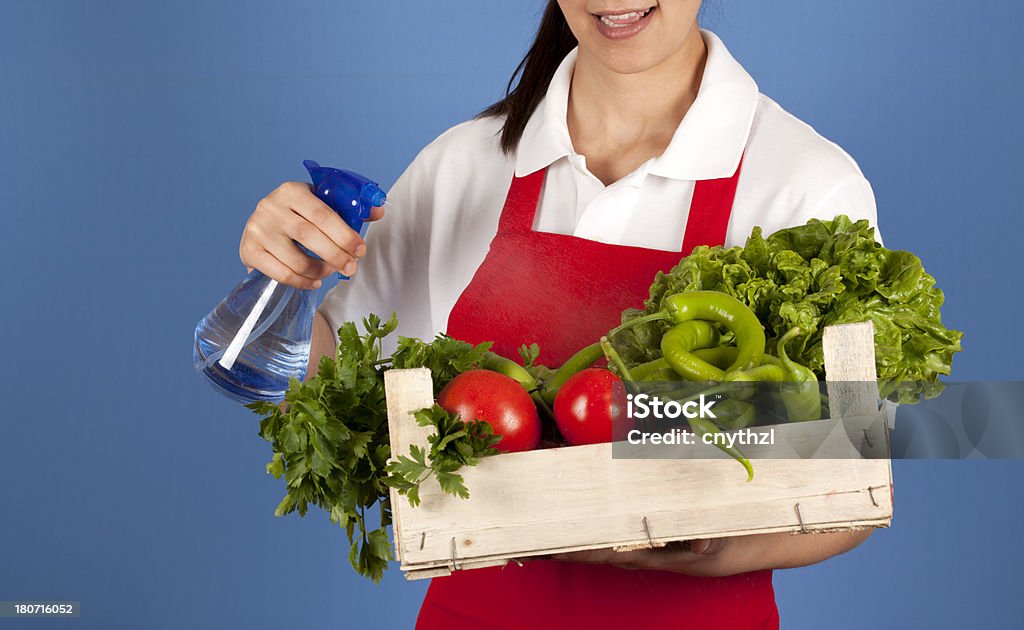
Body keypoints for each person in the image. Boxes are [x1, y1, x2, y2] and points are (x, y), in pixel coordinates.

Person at [239, 1, 877, 627]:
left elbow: (851, 492)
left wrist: (690, 549)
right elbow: (323, 395)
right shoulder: (464, 165)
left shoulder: (806, 183)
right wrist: (283, 286)